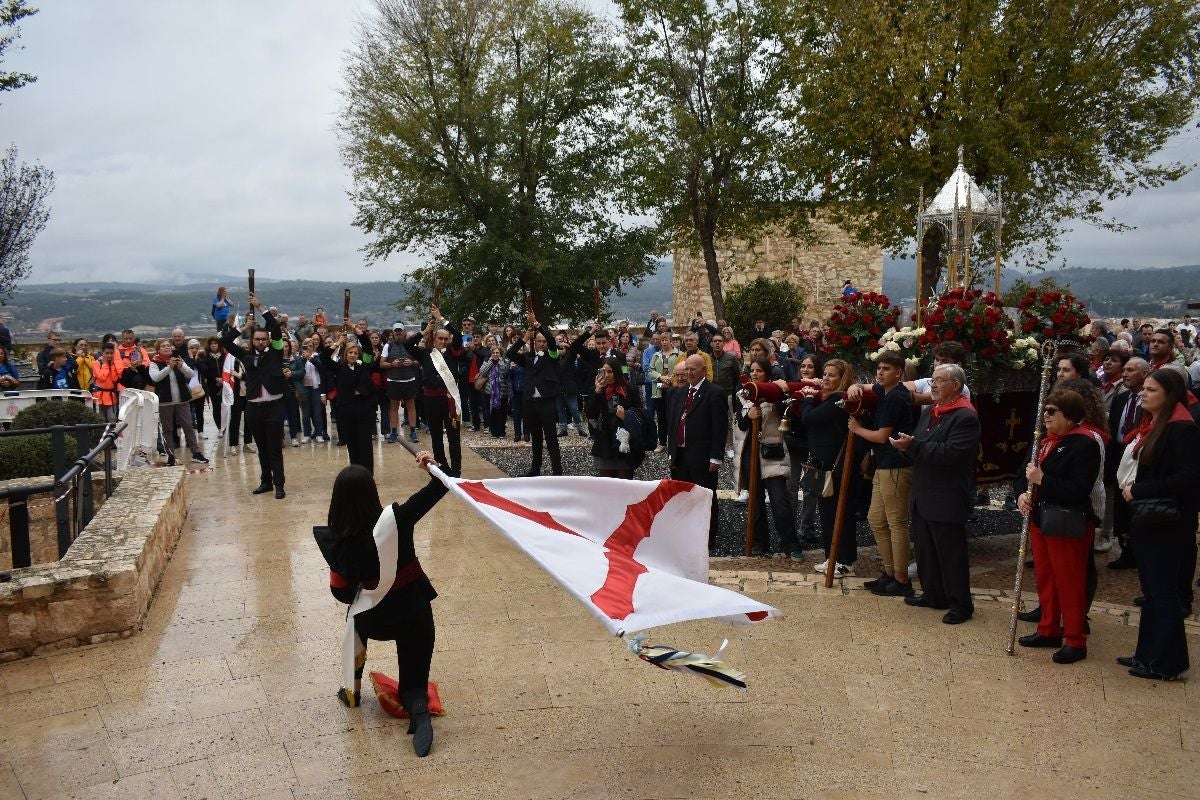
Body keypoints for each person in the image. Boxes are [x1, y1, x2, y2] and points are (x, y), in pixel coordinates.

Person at [314, 451, 446, 756]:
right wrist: (432, 464)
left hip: (374, 621)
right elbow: (442, 485)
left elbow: (341, 594)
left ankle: (352, 690)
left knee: (355, 615)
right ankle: (418, 709)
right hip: (415, 613)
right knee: (413, 685)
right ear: (372, 492)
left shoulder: (338, 540)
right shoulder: (398, 518)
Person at [1116, 367, 1200, 680]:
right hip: (1149, 519)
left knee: (1163, 592)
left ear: (1169, 395)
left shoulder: (1182, 429)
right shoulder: (1156, 425)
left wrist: (1139, 489)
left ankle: (1168, 662)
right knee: (1151, 590)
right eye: (1144, 389)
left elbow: (1187, 478)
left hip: (1167, 522)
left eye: (1150, 390)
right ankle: (1147, 653)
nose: (1143, 394)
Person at [1016, 388, 1101, 664]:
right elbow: (1025, 475)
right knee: (1047, 578)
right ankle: (1048, 628)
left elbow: (1078, 489)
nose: (1046, 416)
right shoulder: (1046, 441)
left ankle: (1075, 640)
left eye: (1052, 411)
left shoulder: (1084, 443)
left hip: (1067, 522)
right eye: (1045, 410)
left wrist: (1042, 480)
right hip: (1043, 518)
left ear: (1071, 415)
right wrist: (1023, 495)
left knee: (1069, 581)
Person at [892, 363, 981, 624]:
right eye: (933, 380)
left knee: (950, 553)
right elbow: (920, 442)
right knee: (925, 548)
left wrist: (914, 446)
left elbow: (950, 453)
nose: (933, 385)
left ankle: (960, 604)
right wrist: (906, 446)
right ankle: (933, 593)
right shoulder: (932, 410)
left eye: (939, 381)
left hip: (947, 493)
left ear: (956, 386)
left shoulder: (965, 416)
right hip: (923, 491)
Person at [848, 352, 914, 596]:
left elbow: (882, 436)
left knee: (896, 522)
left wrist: (857, 429)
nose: (880, 372)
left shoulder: (896, 397)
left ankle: (901, 579)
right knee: (876, 519)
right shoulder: (884, 390)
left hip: (896, 464)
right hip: (883, 464)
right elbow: (868, 385)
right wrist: (855, 385)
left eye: (886, 368)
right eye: (878, 368)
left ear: (898, 372)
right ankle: (889, 572)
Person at [220, 293, 287, 498]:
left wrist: (260, 307)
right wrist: (243, 327)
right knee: (262, 448)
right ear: (252, 340)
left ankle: (279, 484)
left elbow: (275, 328)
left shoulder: (276, 351)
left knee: (275, 448)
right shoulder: (246, 355)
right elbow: (225, 341)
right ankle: (265, 481)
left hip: (274, 406)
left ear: (268, 340)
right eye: (256, 339)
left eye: (263, 339)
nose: (260, 341)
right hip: (254, 408)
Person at [798, 358, 857, 576]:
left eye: (831, 375)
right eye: (825, 374)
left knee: (840, 512)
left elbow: (810, 419)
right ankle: (831, 556)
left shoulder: (838, 400)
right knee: (827, 513)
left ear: (843, 379)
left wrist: (806, 399)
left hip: (836, 465)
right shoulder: (828, 398)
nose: (825, 378)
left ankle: (845, 560)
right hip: (824, 463)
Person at [735, 358, 798, 556]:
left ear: (767, 373)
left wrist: (777, 394)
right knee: (755, 502)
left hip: (772, 452)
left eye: (759, 371)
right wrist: (748, 416)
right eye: (752, 370)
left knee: (779, 500)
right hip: (749, 453)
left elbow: (786, 415)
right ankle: (759, 543)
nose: (754, 374)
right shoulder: (742, 395)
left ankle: (790, 544)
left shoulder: (775, 393)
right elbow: (740, 424)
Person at [666, 354, 729, 551]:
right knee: (683, 497)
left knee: (704, 498)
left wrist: (716, 456)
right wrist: (671, 452)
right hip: (681, 455)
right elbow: (673, 423)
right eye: (687, 369)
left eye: (693, 369)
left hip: (702, 456)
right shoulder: (678, 393)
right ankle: (686, 535)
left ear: (703, 370)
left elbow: (720, 427)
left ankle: (708, 538)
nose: (689, 373)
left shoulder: (714, 393)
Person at [407, 306, 464, 477]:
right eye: (440, 338)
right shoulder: (425, 354)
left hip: (449, 400)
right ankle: (441, 466)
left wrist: (442, 319)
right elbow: (408, 344)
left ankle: (456, 471)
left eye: (446, 338)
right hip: (431, 400)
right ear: (435, 339)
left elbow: (459, 337)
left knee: (454, 437)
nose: (443, 341)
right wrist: (424, 332)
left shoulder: (453, 353)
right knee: (436, 436)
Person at [507, 312, 563, 476]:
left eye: (543, 341)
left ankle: (557, 472)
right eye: (539, 341)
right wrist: (524, 338)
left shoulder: (552, 355)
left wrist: (537, 324)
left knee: (551, 438)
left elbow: (552, 342)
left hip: (547, 402)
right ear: (535, 342)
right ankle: (535, 469)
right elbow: (510, 354)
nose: (542, 343)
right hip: (530, 402)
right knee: (536, 439)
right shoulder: (528, 357)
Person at [1107, 357, 1149, 570]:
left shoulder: (1149, 400)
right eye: (1123, 370)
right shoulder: (1121, 398)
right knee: (1120, 507)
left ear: (1144, 373)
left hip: (1139, 458)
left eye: (1130, 370)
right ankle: (1126, 550)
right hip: (1118, 455)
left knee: (1134, 506)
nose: (1124, 373)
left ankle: (1138, 550)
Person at [321, 331, 379, 472]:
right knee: (352, 444)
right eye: (350, 352)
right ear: (345, 355)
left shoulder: (364, 365)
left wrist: (355, 329)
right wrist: (338, 343)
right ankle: (356, 473)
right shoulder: (339, 368)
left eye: (355, 352)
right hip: (346, 411)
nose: (352, 355)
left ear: (358, 354)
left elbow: (366, 345)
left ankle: (367, 474)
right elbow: (323, 357)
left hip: (364, 410)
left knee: (365, 444)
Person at [148, 339, 208, 465]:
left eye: (168, 345)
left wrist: (182, 366)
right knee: (168, 429)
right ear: (158, 350)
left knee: (188, 426)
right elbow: (156, 377)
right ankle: (171, 455)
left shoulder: (177, 359)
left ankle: (196, 453)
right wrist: (169, 367)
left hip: (182, 399)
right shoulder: (154, 363)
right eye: (163, 346)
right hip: (165, 401)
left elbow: (190, 374)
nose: (167, 347)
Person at [588, 356, 642, 478]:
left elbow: (641, 413)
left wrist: (626, 416)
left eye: (610, 371)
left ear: (617, 372)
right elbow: (590, 414)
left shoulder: (630, 390)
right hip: (604, 441)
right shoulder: (598, 390)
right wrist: (597, 391)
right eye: (604, 371)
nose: (606, 375)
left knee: (624, 483)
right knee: (606, 486)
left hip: (624, 440)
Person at [381, 323, 421, 444]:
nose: (398, 333)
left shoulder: (411, 344)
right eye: (396, 331)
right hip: (393, 381)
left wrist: (412, 362)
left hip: (409, 379)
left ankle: (413, 432)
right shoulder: (388, 346)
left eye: (400, 331)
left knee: (411, 406)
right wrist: (392, 364)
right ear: (393, 332)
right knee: (393, 408)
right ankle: (394, 432)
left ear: (404, 332)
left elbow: (420, 361)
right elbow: (382, 364)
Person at [648, 333, 682, 453]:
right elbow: (650, 370)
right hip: (658, 388)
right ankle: (662, 443)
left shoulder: (679, 354)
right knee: (661, 417)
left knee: (675, 416)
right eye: (662, 340)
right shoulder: (656, 356)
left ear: (671, 341)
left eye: (666, 340)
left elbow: (682, 369)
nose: (664, 342)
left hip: (674, 388)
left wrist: (670, 379)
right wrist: (660, 377)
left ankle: (675, 443)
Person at [476, 344, 511, 438]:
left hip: (502, 392)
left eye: (497, 353)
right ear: (491, 354)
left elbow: (505, 374)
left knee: (502, 413)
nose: (495, 354)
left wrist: (500, 363)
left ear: (501, 354)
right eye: (494, 353)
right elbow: (482, 372)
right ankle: (494, 432)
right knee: (491, 413)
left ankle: (501, 432)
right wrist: (491, 362)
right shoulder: (487, 361)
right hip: (489, 392)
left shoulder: (505, 361)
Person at [91, 343, 123, 422]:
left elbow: (115, 379)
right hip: (99, 395)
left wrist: (113, 365)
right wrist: (105, 364)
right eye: (107, 353)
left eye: (111, 353)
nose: (109, 355)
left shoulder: (114, 363)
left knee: (112, 418)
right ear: (102, 352)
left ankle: (111, 434)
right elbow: (102, 377)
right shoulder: (96, 363)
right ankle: (100, 434)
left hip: (111, 395)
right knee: (100, 419)